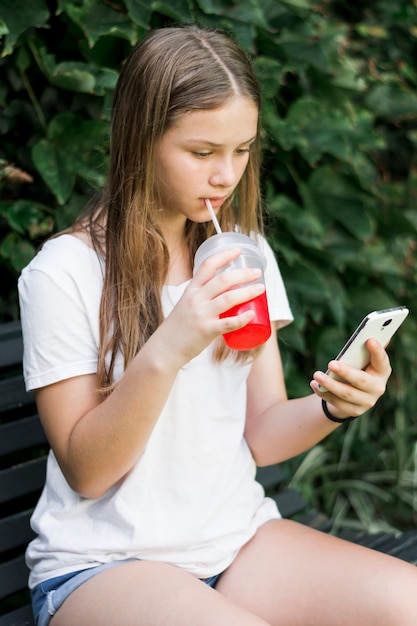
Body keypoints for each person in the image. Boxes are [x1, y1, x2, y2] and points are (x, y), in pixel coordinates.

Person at [18, 24, 417, 626]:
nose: (226, 175)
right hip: (104, 566)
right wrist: (169, 346)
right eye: (202, 152)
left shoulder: (242, 251)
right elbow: (89, 472)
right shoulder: (64, 273)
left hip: (236, 542)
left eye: (242, 149)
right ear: (139, 140)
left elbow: (262, 432)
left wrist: (336, 407)